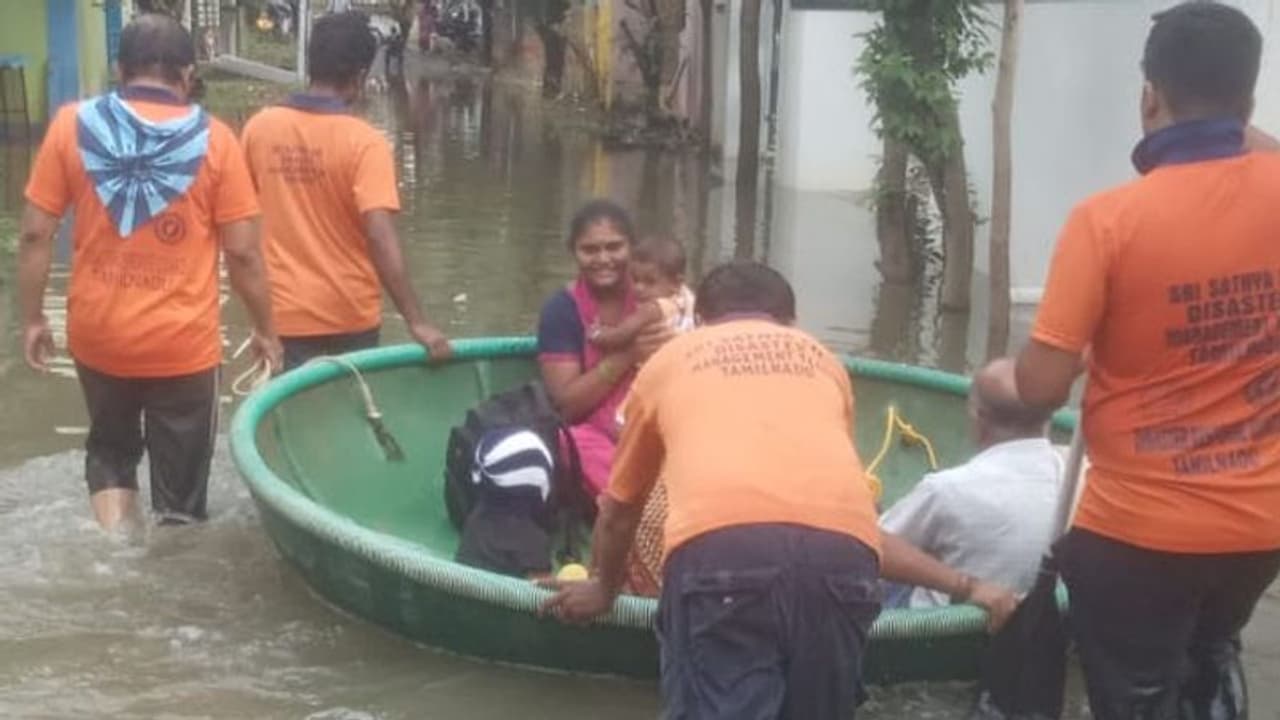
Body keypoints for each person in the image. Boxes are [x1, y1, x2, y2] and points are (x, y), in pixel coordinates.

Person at [542, 261, 1017, 720]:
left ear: (699, 321)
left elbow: (620, 509)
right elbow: (847, 521)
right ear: (791, 322)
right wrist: (966, 585)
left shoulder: (669, 361)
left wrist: (604, 589)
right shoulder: (823, 361)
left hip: (720, 556)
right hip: (842, 561)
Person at [1011, 3, 1280, 717]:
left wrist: (1067, 345)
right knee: (1210, 659)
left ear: (1148, 97)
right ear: (1248, 103)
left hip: (1137, 531)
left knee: (1137, 697)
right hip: (1261, 525)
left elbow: (1038, 390)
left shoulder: (1106, 222)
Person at [17, 14, 281, 530]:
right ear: (188, 74)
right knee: (181, 503)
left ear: (120, 69)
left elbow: (33, 235)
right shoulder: (217, 141)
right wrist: (266, 330)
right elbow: (244, 254)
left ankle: (114, 553)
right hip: (182, 346)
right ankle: (164, 562)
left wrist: (32, 319)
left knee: (111, 452)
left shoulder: (71, 125)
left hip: (98, 336)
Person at [241, 11, 450, 371]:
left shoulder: (258, 130)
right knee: (351, 406)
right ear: (359, 76)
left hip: (281, 319)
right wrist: (417, 321)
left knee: (289, 409)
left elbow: (239, 233)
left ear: (311, 65)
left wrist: (259, 322)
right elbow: (379, 235)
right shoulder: (365, 144)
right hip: (351, 320)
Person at [880, 358, 1061, 608]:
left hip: (938, 625)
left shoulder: (947, 489)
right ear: (1048, 420)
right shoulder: (1073, 481)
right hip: (1036, 620)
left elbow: (867, 547)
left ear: (978, 417)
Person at [536, 200, 669, 496]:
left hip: (661, 424)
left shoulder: (663, 295)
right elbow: (566, 406)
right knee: (567, 442)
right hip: (597, 438)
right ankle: (634, 506)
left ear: (632, 247)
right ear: (573, 252)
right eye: (590, 250)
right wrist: (628, 355)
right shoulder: (561, 310)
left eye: (614, 247)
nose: (603, 259)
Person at [590, 235, 696, 350]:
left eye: (650, 281)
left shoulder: (652, 308)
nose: (639, 288)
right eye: (635, 279)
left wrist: (596, 334)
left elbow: (620, 335)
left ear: (675, 283)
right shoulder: (687, 299)